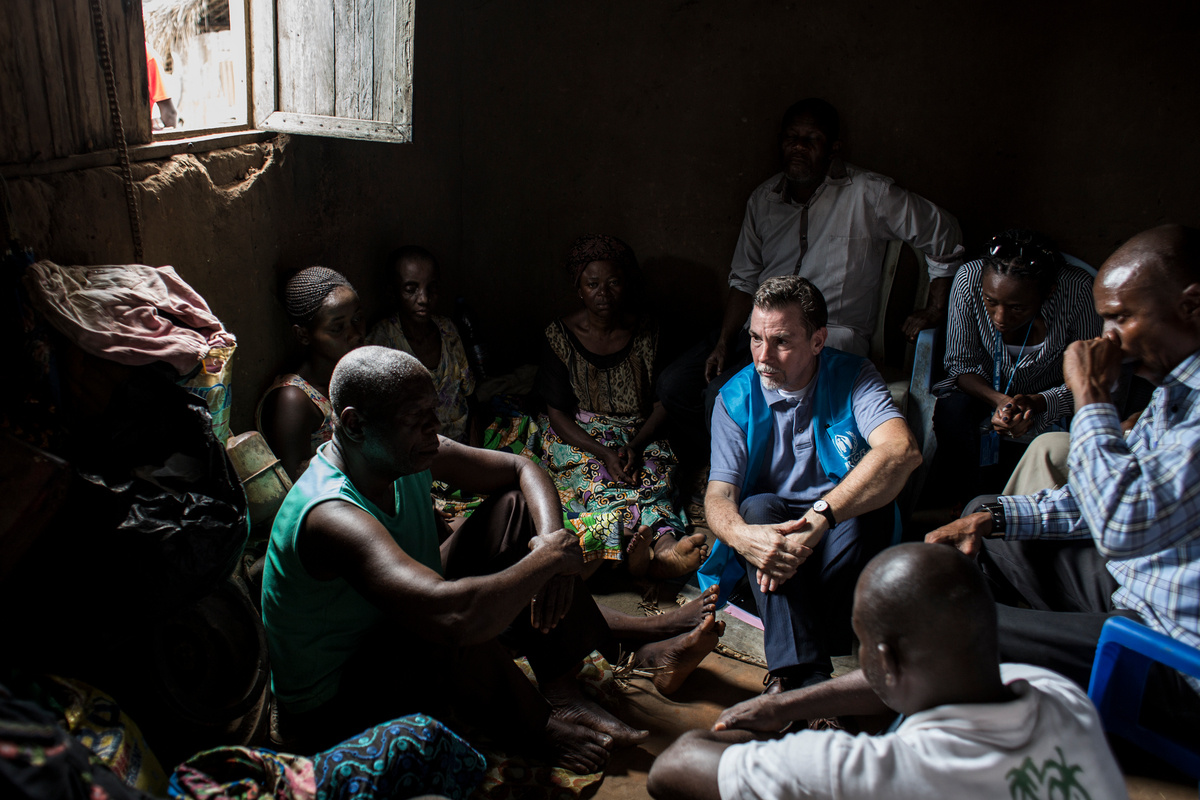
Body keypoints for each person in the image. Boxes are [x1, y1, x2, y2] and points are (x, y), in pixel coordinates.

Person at [261, 346, 725, 771]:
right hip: (339, 702)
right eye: (417, 420)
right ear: (357, 424)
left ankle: (563, 682)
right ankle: (540, 724)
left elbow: (523, 467)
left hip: (398, 620)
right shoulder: (331, 515)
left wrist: (548, 544)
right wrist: (546, 563)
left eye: (433, 415)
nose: (434, 430)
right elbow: (451, 615)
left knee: (516, 514)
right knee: (459, 613)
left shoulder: (398, 453)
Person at [926, 223, 1200, 740]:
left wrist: (1092, 396)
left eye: (1123, 317)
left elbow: (1119, 527)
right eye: (1106, 319)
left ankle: (993, 723)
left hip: (1175, 652)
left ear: (1191, 305)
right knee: (987, 517)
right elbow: (1093, 501)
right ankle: (1014, 680)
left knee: (947, 628)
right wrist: (994, 518)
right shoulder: (1174, 387)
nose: (1110, 337)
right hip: (1139, 592)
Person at [646, 543, 1127, 800]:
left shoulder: (871, 771)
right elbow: (899, 684)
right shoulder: (1060, 695)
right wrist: (784, 703)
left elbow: (672, 769)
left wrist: (776, 753)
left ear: (887, 660)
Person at [658, 98, 963, 451]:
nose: (799, 147)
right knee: (674, 385)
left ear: (833, 147)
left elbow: (945, 234)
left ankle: (738, 480)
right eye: (791, 137)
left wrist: (936, 307)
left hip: (825, 337)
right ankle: (727, 463)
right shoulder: (764, 199)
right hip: (758, 331)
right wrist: (725, 342)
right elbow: (744, 280)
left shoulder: (869, 193)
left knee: (721, 394)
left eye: (812, 139)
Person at [701, 276, 921, 691]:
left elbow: (902, 450)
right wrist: (744, 538)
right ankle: (807, 675)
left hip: (838, 530)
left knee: (865, 506)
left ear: (818, 340)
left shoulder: (853, 376)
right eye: (755, 339)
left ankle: (791, 655)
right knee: (757, 508)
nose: (763, 357)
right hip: (779, 538)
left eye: (781, 341)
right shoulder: (733, 397)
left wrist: (822, 516)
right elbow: (719, 494)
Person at [536, 234, 708, 579]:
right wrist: (603, 452)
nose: (604, 293)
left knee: (651, 478)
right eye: (593, 284)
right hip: (583, 434)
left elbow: (663, 404)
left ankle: (665, 548)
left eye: (613, 282)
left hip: (640, 430)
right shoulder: (559, 335)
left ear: (626, 284)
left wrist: (635, 444)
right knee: (597, 481)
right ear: (579, 288)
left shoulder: (649, 332)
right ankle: (627, 543)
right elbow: (557, 414)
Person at [927, 229, 1101, 505]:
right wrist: (1003, 402)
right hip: (983, 391)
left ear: (1048, 293)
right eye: (991, 302)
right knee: (953, 412)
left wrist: (1038, 403)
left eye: (1017, 308)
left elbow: (1089, 378)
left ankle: (1022, 510)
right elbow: (961, 364)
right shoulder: (970, 278)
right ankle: (961, 504)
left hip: (1050, 396)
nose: (1000, 318)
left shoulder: (1077, 290)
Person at [257, 267, 366, 481]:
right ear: (303, 335)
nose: (355, 334)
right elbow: (297, 484)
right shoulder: (294, 399)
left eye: (357, 319)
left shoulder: (354, 376)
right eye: (337, 328)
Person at [368, 246, 479, 445]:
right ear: (393, 291)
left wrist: (475, 453)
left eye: (432, 288)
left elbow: (470, 398)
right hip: (417, 453)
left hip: (462, 446)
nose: (424, 299)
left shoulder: (447, 330)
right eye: (411, 290)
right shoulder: (382, 340)